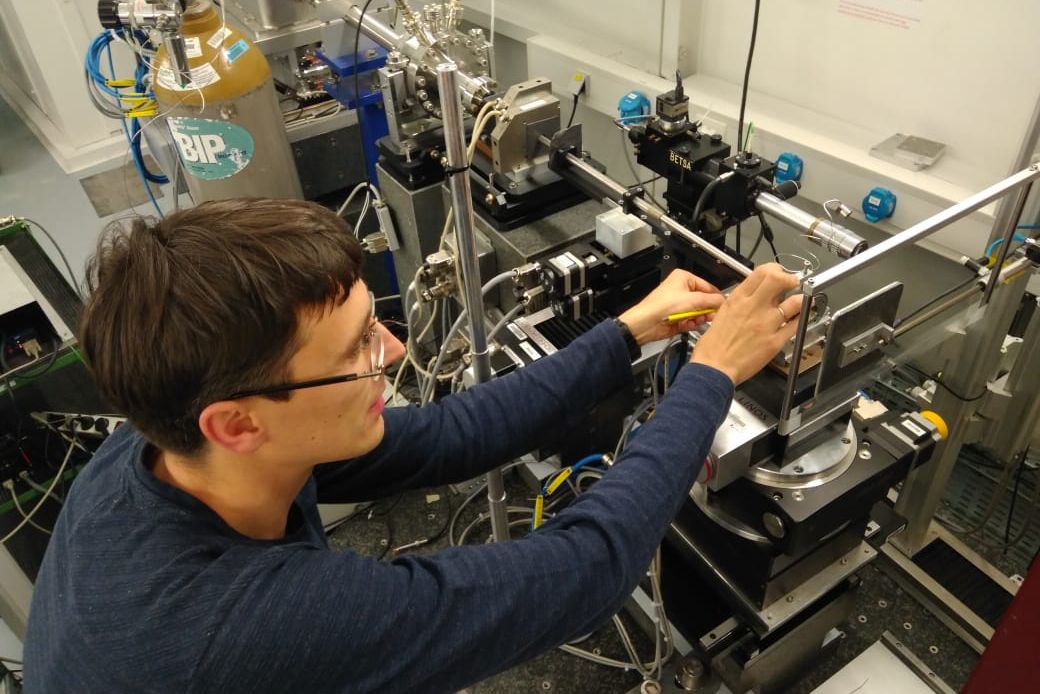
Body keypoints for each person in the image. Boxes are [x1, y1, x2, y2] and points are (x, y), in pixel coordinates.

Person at [23, 198, 802, 692]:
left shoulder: (167, 447)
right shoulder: (249, 626)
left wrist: (627, 332)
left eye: (374, 324)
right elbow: (589, 570)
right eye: (356, 348)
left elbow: (448, 435)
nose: (393, 352)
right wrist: (713, 372)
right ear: (237, 422)